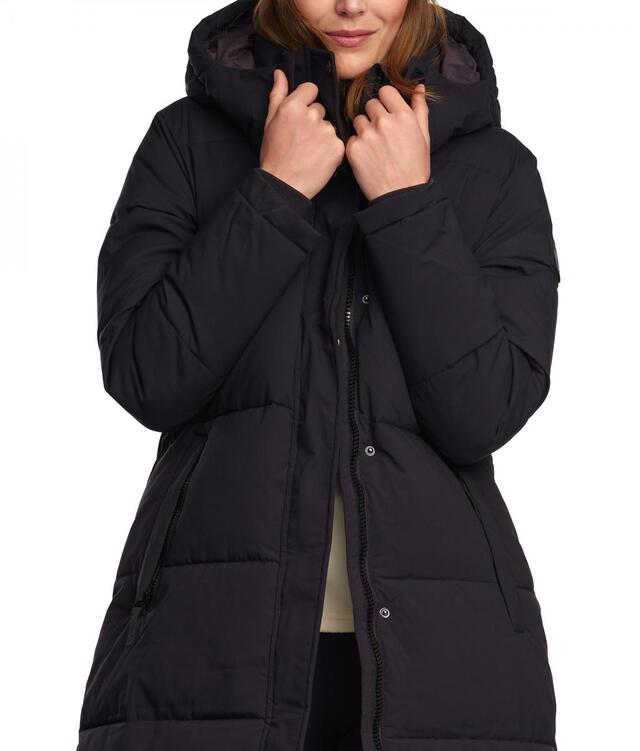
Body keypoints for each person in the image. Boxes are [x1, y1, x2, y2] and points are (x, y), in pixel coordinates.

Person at [77, 1, 560, 750]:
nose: (350, 5)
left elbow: (484, 409)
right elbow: (148, 375)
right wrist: (274, 191)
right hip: (207, 655)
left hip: (446, 666)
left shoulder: (496, 169)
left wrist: (408, 204)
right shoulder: (185, 143)